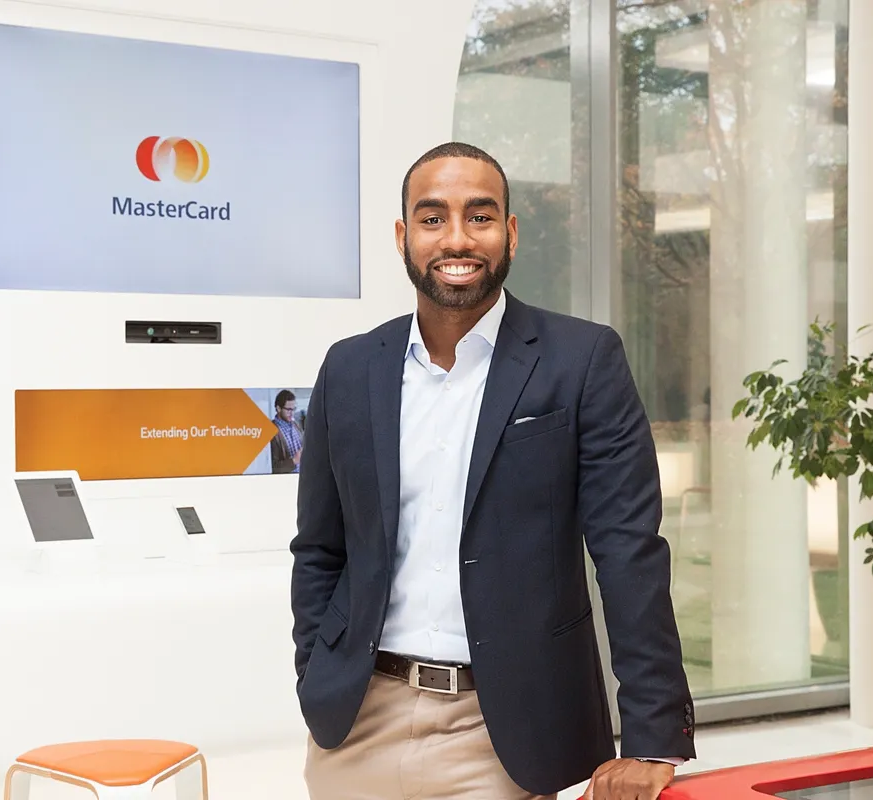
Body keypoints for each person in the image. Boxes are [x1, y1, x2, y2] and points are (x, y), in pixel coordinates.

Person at [289, 142, 695, 800]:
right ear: (403, 236)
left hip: (500, 727)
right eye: (432, 218)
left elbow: (628, 549)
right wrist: (316, 669)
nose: (456, 237)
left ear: (509, 233)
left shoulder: (582, 360)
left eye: (479, 217)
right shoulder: (350, 367)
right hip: (359, 720)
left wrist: (651, 733)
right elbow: (320, 547)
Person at [270, 390, 305, 474]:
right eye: (288, 409)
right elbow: (273, 467)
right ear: (278, 408)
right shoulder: (271, 431)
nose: (292, 413)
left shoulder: (295, 424)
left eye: (293, 409)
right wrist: (294, 461)